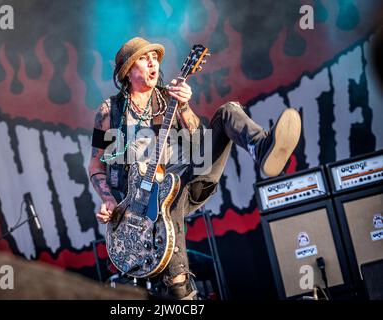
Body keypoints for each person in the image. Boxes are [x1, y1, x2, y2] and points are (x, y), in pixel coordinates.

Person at [88, 37, 301, 300]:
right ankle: (181, 291)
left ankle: (261, 146)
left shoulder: (169, 99)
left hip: (187, 180)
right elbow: (96, 164)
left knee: (227, 112)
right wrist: (108, 200)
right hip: (139, 207)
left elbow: (199, 142)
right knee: (167, 198)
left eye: (155, 56)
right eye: (144, 58)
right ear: (128, 71)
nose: (153, 61)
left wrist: (185, 106)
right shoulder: (110, 111)